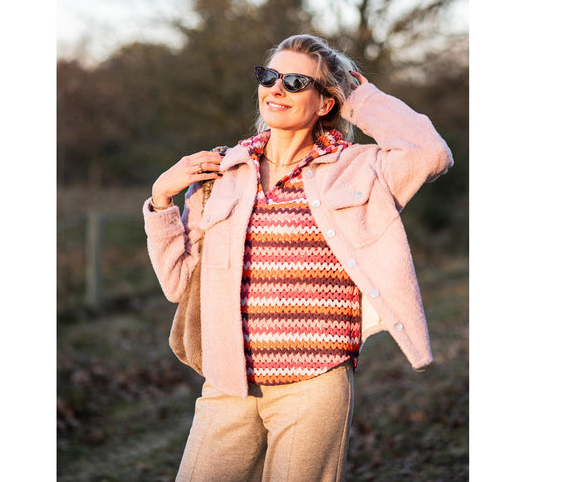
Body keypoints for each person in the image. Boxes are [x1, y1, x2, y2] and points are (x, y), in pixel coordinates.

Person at [143, 34, 453, 481]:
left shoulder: (360, 168)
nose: (277, 89)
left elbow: (430, 153)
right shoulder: (220, 173)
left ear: (325, 103)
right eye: (269, 76)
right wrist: (161, 199)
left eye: (295, 82)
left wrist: (360, 99)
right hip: (229, 384)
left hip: (315, 385)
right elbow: (177, 283)